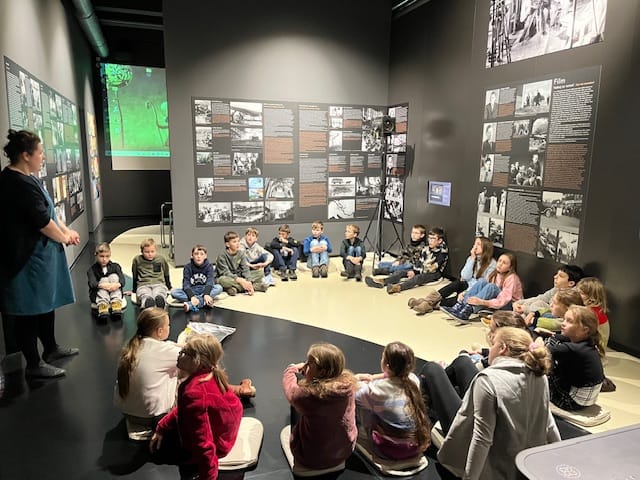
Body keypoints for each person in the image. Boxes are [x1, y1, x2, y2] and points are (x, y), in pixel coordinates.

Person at [421, 327, 560, 479]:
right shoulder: (539, 375)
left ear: (502, 348)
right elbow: (549, 424)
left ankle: (419, 428)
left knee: (432, 369)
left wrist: (470, 478)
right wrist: (558, 459)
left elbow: (482, 439)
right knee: (463, 362)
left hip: (494, 460)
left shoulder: (488, 380)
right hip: (523, 456)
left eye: (493, 344)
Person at [0, 129, 79, 378]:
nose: (43, 157)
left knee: (45, 304)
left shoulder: (27, 179)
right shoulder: (16, 183)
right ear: (26, 155)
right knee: (29, 312)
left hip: (38, 258)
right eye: (40, 153)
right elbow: (43, 222)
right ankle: (34, 365)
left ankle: (51, 348)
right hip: (26, 261)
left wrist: (66, 231)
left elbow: (49, 212)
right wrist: (65, 237)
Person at [151, 334, 243, 480]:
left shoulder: (194, 393)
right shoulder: (206, 375)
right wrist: (162, 426)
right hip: (225, 428)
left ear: (197, 361)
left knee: (161, 449)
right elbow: (184, 410)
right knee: (159, 422)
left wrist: (208, 476)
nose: (179, 354)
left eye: (184, 352)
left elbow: (203, 442)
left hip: (220, 442)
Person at [282, 343, 357, 471]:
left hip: (312, 458)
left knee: (296, 412)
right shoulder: (348, 388)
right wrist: (309, 371)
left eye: (309, 364)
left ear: (321, 372)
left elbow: (291, 391)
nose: (304, 366)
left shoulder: (309, 395)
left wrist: (291, 370)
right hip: (344, 451)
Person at [354, 342, 430, 460]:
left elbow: (354, 393)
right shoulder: (413, 380)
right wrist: (374, 377)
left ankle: (362, 433)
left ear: (387, 365)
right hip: (415, 447)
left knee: (362, 402)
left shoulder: (376, 390)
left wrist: (356, 378)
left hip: (389, 450)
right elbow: (394, 376)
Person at [114, 307, 182, 424]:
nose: (169, 327)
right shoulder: (163, 351)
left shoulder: (131, 347)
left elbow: (168, 347)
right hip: (150, 416)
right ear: (160, 331)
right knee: (183, 372)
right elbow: (190, 355)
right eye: (168, 325)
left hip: (126, 412)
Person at [534, 305, 605, 411]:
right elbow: (557, 337)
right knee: (552, 343)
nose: (563, 323)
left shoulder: (573, 349)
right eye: (564, 319)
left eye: (569, 321)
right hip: (585, 399)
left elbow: (539, 350)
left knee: (543, 362)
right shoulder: (588, 343)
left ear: (585, 330)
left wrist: (537, 335)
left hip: (571, 401)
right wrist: (550, 335)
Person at [409, 236, 496, 315]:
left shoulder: (492, 264)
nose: (475, 247)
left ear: (486, 248)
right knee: (457, 283)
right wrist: (472, 258)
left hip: (475, 292)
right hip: (467, 285)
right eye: (474, 244)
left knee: (458, 299)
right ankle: (428, 300)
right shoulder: (472, 258)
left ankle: (427, 304)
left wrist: (466, 292)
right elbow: (465, 276)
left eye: (478, 244)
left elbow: (483, 285)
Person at [442, 252, 523, 322]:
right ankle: (461, 305)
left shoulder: (512, 278)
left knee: (492, 287)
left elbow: (503, 300)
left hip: (510, 306)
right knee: (482, 281)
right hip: (495, 303)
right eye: (499, 261)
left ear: (510, 267)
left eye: (504, 263)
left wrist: (483, 302)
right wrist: (464, 294)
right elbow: (482, 288)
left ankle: (468, 309)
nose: (500, 264)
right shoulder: (495, 274)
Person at [366, 227, 448, 295]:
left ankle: (397, 288)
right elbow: (419, 262)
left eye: (433, 239)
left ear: (439, 241)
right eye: (429, 238)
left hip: (434, 273)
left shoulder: (442, 252)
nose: (430, 241)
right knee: (400, 272)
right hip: (421, 269)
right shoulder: (426, 249)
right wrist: (415, 270)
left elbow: (432, 268)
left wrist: (416, 272)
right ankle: (382, 281)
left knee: (418, 278)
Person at [513, 264, 584, 322]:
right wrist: (519, 303)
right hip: (541, 315)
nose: (555, 277)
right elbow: (541, 298)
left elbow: (554, 313)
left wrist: (527, 309)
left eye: (561, 276)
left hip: (553, 320)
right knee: (537, 302)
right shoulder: (557, 289)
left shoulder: (571, 296)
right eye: (556, 274)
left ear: (571, 283)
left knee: (538, 304)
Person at [170, 244, 222, 313]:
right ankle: (203, 302)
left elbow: (210, 281)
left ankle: (192, 304)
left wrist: (206, 294)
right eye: (196, 254)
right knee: (174, 293)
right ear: (192, 256)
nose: (199, 256)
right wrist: (191, 296)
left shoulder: (209, 266)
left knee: (219, 288)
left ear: (205, 256)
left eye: (201, 254)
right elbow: (186, 284)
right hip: (192, 289)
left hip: (204, 289)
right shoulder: (187, 267)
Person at [216, 231, 267, 295]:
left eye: (238, 241)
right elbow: (225, 273)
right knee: (222, 280)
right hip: (228, 277)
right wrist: (241, 281)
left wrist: (249, 281)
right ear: (227, 244)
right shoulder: (222, 256)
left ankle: (236, 288)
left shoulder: (241, 253)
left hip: (239, 276)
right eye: (234, 242)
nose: (238, 244)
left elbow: (245, 269)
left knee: (260, 272)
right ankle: (254, 286)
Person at [87, 242, 125, 323]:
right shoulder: (91, 270)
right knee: (104, 279)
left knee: (114, 276)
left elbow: (122, 280)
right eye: (101, 256)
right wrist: (104, 285)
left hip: (113, 289)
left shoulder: (115, 266)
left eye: (107, 256)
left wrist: (116, 285)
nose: (104, 259)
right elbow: (92, 283)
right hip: (99, 293)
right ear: (96, 255)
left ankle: (116, 302)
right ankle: (103, 305)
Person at [132, 238, 172, 309]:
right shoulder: (137, 260)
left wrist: (169, 286)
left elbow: (166, 273)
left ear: (156, 250)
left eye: (152, 251)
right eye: (147, 252)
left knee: (159, 292)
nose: (150, 254)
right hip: (143, 284)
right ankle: (147, 303)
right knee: (144, 294)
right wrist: (134, 290)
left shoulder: (161, 259)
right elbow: (135, 275)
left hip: (158, 283)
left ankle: (160, 301)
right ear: (142, 251)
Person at [576, 277, 610, 348]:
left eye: (581, 293)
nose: (577, 295)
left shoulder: (590, 313)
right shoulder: (597, 310)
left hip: (593, 348)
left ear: (592, 296)